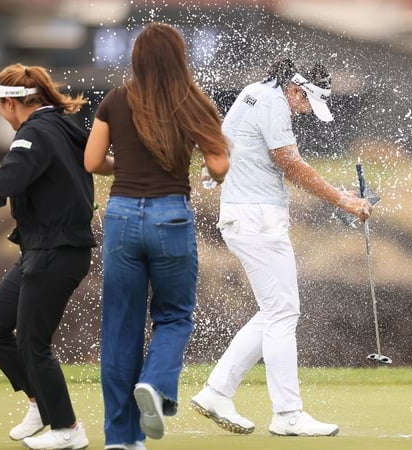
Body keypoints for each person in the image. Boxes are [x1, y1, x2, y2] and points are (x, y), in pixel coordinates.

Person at [190, 57, 372, 437]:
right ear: (295, 89)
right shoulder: (274, 103)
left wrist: (340, 195)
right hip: (257, 219)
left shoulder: (255, 92)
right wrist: (345, 202)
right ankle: (287, 413)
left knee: (275, 311)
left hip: (245, 215)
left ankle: (217, 392)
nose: (306, 112)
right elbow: (291, 164)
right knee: (284, 313)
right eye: (306, 103)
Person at [84, 23, 229, 449]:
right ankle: (155, 382)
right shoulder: (193, 99)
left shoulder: (115, 99)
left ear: (138, 58)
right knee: (174, 316)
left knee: (120, 328)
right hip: (171, 216)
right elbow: (219, 166)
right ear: (179, 57)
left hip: (122, 217)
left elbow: (92, 161)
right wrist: (205, 170)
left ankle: (121, 438)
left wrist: (124, 166)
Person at [0, 64, 95, 449]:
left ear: (8, 104)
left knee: (32, 343)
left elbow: (8, 181)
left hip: (55, 250)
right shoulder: (62, 126)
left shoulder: (35, 131)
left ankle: (67, 429)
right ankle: (39, 402)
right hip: (46, 248)